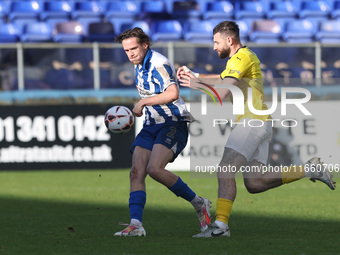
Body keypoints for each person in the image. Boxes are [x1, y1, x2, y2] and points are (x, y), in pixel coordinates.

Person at [177, 21, 336, 238]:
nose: (214, 47)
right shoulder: (239, 59)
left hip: (252, 122)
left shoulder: (242, 57)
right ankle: (308, 170)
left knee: (225, 170)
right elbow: (224, 79)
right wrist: (197, 77)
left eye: (216, 42)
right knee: (255, 183)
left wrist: (194, 84)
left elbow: (222, 92)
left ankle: (220, 227)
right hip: (261, 122)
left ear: (229, 40)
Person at [113, 27, 211, 237]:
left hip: (172, 121)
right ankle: (136, 224)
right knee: (136, 172)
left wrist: (143, 102)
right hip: (151, 124)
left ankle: (199, 203)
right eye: (126, 50)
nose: (130, 53)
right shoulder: (139, 65)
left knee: (155, 169)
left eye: (133, 48)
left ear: (145, 45)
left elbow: (173, 92)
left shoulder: (158, 63)